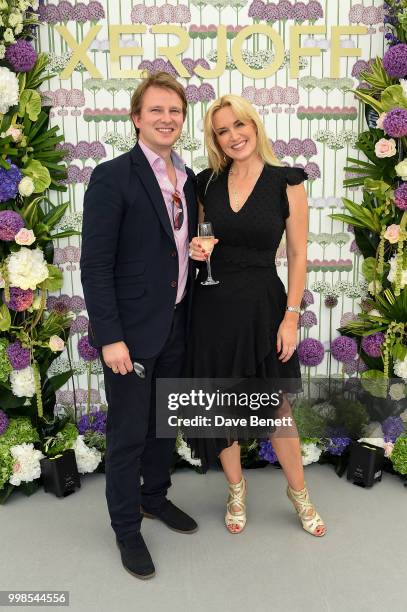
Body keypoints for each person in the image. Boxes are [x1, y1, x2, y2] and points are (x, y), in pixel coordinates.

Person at [188, 94, 326, 537]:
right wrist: (198, 249)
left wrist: (290, 317)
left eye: (239, 125)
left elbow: (300, 256)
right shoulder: (207, 183)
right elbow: (202, 242)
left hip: (265, 307)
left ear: (255, 125)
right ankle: (235, 489)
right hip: (213, 306)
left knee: (276, 409)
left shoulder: (287, 181)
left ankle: (300, 494)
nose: (233, 136)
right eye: (222, 131)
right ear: (215, 139)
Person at [80, 72, 198, 580]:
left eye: (174, 111)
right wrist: (110, 337)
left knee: (164, 426)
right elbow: (95, 265)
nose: (167, 119)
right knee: (128, 434)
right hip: (129, 334)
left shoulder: (188, 177)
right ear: (136, 119)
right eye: (156, 110)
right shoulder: (112, 176)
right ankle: (127, 528)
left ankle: (154, 498)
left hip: (177, 322)